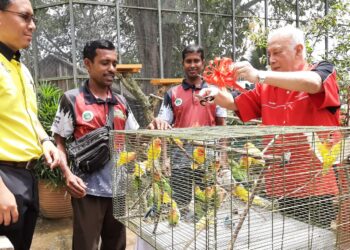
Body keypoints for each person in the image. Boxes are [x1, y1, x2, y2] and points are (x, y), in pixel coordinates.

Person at [197, 26, 341, 228]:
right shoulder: (266, 87)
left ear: (298, 50)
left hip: (316, 185)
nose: (271, 60)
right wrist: (213, 93)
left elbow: (313, 83)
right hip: (281, 185)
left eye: (277, 53)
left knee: (316, 239)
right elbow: (233, 102)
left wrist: (259, 75)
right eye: (269, 54)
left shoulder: (322, 70)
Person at [52, 40, 139, 250]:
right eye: (105, 63)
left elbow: (135, 137)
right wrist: (67, 175)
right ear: (88, 64)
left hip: (118, 188)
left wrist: (155, 126)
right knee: (85, 245)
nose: (111, 69)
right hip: (87, 190)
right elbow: (59, 141)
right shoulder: (72, 99)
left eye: (114, 64)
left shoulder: (121, 102)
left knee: (116, 244)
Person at [137, 44, 226, 249]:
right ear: (183, 64)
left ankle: (206, 244)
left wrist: (223, 155)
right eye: (189, 61)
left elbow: (222, 125)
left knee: (208, 204)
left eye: (197, 61)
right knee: (181, 204)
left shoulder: (214, 91)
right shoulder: (172, 93)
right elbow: (164, 127)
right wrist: (165, 158)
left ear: (203, 63)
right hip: (180, 158)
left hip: (208, 156)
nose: (193, 65)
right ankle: (181, 244)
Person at [0, 0, 60, 249]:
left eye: (33, 19)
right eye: (24, 17)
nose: (32, 25)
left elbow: (28, 115)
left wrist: (45, 141)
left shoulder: (20, 68)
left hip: (27, 177)